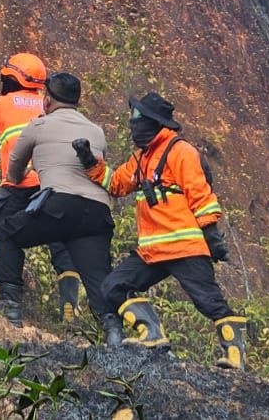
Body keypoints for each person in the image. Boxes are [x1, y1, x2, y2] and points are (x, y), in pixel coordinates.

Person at [73, 92, 247, 369]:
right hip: (152, 251)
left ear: (155, 122)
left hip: (184, 246)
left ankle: (236, 357)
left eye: (137, 119)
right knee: (113, 287)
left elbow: (201, 196)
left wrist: (211, 236)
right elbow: (116, 184)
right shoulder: (141, 158)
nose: (133, 124)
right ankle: (152, 336)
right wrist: (89, 161)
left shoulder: (182, 152)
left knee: (210, 302)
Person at [0, 72, 124, 345]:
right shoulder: (96, 130)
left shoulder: (39, 125)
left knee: (7, 232)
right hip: (97, 213)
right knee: (97, 275)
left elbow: (14, 167)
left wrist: (18, 179)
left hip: (60, 204)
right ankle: (113, 332)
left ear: (48, 100)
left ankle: (10, 307)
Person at [0, 53, 82, 320]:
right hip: (56, 186)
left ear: (10, 77)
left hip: (19, 187)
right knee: (59, 241)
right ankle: (70, 300)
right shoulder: (52, 106)